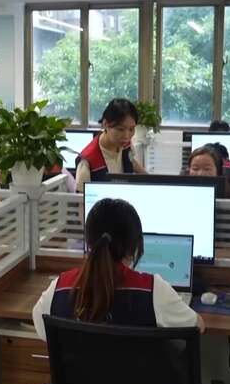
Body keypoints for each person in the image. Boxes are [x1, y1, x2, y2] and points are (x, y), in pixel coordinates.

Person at [32, 198, 205, 340]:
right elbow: (197, 327)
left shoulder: (58, 289)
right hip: (138, 374)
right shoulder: (152, 290)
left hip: (77, 375)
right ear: (134, 245)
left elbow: (43, 330)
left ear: (89, 242)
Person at [75, 98, 146, 191]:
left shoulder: (125, 144)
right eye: (120, 129)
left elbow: (131, 161)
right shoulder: (87, 162)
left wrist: (152, 181)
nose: (127, 136)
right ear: (105, 124)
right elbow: (80, 197)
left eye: (131, 129)